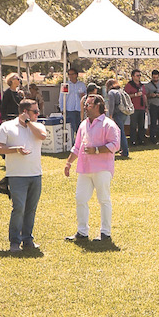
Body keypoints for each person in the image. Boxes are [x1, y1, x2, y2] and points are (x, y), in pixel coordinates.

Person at [0, 99, 48, 255]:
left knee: (31, 209)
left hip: (35, 174)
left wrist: (29, 122)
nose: (38, 114)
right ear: (24, 112)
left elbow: (42, 136)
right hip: (17, 175)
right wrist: (15, 149)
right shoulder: (7, 127)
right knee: (19, 208)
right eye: (35, 111)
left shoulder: (37, 126)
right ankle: (15, 241)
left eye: (38, 111)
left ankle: (28, 239)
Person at [64, 94, 120, 243]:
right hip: (84, 168)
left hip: (102, 168)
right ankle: (82, 232)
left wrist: (96, 150)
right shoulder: (83, 124)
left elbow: (115, 145)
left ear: (97, 106)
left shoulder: (108, 124)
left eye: (88, 105)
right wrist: (69, 163)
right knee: (80, 198)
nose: (85, 108)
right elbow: (77, 147)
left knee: (103, 200)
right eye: (85, 105)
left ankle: (105, 233)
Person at [104, 78, 130, 159]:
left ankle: (125, 151)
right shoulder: (121, 91)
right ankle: (122, 149)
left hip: (117, 113)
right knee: (121, 131)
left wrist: (110, 115)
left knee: (120, 132)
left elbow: (111, 105)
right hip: (124, 113)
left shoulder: (111, 92)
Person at [60, 68, 88, 138]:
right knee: (71, 127)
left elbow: (86, 96)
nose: (70, 76)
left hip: (79, 109)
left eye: (72, 74)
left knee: (80, 126)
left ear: (76, 75)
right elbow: (61, 97)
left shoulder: (81, 85)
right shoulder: (65, 85)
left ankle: (80, 142)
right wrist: (62, 108)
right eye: (69, 74)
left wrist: (84, 96)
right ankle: (72, 143)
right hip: (70, 109)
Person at [143, 69, 159, 145]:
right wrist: (151, 95)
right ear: (152, 77)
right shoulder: (148, 85)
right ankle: (153, 139)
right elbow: (145, 95)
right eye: (154, 78)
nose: (155, 79)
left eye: (157, 78)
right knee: (153, 123)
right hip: (153, 105)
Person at [124, 70, 147, 145]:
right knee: (133, 125)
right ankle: (133, 140)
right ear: (133, 76)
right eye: (137, 75)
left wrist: (146, 106)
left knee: (141, 125)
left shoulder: (142, 85)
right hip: (133, 108)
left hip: (142, 107)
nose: (139, 77)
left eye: (140, 75)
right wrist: (135, 95)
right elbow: (126, 96)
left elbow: (144, 96)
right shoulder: (129, 85)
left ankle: (141, 140)